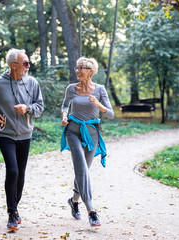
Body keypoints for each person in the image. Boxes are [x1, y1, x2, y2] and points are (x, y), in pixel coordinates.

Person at [0, 48, 44, 230]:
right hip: (5, 133)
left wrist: (28, 109)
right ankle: (12, 212)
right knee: (13, 170)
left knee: (21, 174)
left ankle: (14, 208)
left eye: (29, 62)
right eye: (25, 63)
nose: (28, 66)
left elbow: (40, 106)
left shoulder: (32, 82)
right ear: (13, 66)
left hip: (25, 133)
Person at [60, 57, 114, 227]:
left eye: (81, 68)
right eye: (76, 67)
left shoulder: (100, 90)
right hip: (73, 131)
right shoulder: (71, 88)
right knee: (81, 168)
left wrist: (98, 104)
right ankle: (91, 211)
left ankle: (74, 201)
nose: (77, 70)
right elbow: (64, 106)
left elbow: (111, 114)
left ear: (90, 71)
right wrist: (63, 116)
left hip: (92, 134)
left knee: (83, 171)